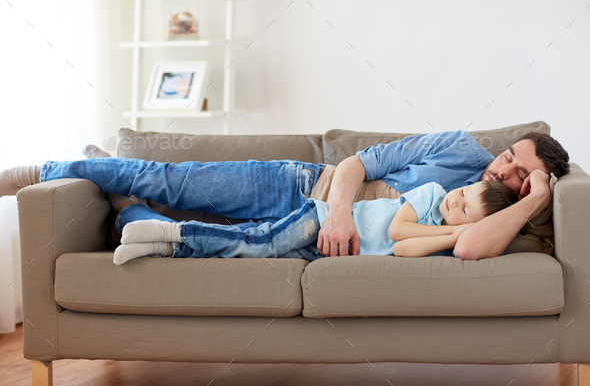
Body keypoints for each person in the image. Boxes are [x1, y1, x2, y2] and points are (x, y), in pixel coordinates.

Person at [0, 130, 569, 259]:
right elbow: (354, 162)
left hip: (316, 235)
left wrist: (535, 198)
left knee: (186, 227)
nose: (502, 170)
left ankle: (126, 206)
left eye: (519, 172)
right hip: (305, 186)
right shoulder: (459, 149)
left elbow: (473, 246)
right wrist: (341, 213)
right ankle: (41, 168)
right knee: (170, 181)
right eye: (507, 155)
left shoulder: (509, 215)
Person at [111, 180, 517, 265]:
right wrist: (454, 228)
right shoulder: (431, 192)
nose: (455, 201)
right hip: (321, 220)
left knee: (242, 247)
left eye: (465, 210)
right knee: (257, 242)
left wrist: (457, 235)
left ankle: (153, 234)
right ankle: (174, 231)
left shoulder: (444, 240)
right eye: (464, 192)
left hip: (324, 253)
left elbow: (404, 249)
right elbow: (397, 231)